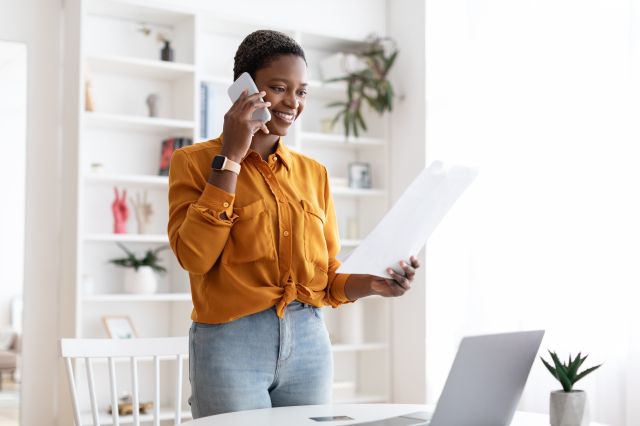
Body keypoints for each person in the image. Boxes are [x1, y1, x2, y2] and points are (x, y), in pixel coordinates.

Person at [167, 30, 420, 419]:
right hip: (230, 342)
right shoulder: (194, 162)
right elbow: (195, 256)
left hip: (309, 342)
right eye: (279, 87)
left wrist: (372, 283)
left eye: (301, 92)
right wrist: (231, 157)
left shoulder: (313, 173)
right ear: (244, 90)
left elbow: (327, 277)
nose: (292, 103)